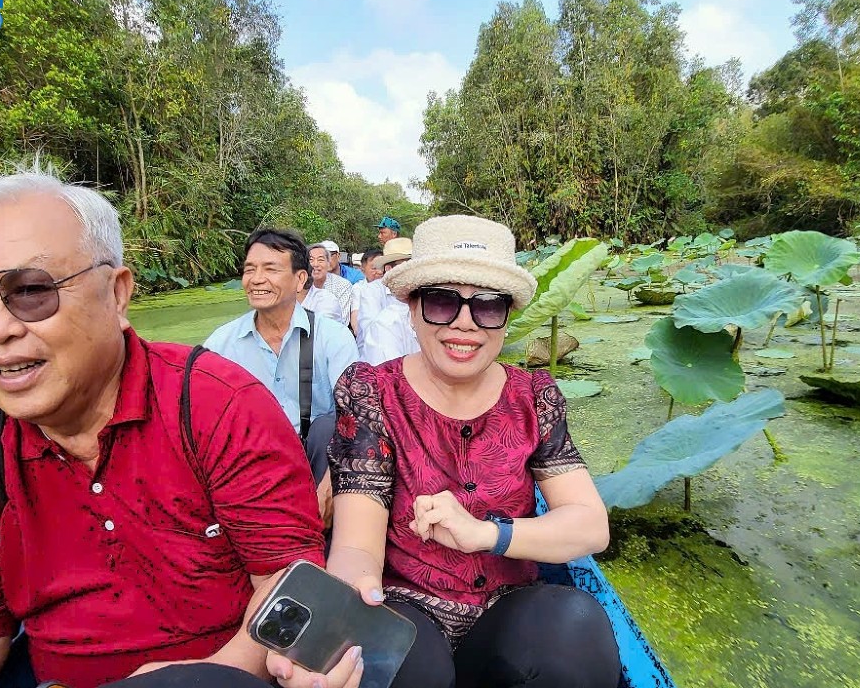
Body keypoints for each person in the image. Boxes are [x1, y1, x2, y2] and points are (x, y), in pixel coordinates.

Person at [0, 172, 353, 688]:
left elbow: (290, 590)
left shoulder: (222, 404)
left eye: (32, 291)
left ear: (117, 294)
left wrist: (208, 677)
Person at [325, 215, 621, 688]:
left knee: (573, 635)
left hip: (508, 605)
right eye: (443, 301)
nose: (464, 323)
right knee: (401, 669)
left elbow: (589, 524)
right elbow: (357, 545)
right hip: (408, 601)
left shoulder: (533, 397)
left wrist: (487, 534)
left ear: (505, 316)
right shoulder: (373, 393)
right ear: (412, 307)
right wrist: (355, 594)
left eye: (487, 305)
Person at [205, 229, 359, 530]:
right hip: (251, 468)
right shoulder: (219, 346)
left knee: (328, 427)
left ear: (300, 279)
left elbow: (356, 417)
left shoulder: (333, 337)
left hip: (317, 463)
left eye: (270, 269)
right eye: (250, 269)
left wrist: (331, 485)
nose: (256, 279)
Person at [355, 238, 417, 365]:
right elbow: (373, 335)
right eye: (405, 266)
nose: (411, 271)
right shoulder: (371, 291)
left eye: (413, 265)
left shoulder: (419, 293)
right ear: (389, 269)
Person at [308, 243, 354, 329]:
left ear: (328, 263)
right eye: (311, 260)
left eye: (320, 260)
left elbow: (342, 321)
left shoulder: (343, 285)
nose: (315, 264)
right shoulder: (299, 285)